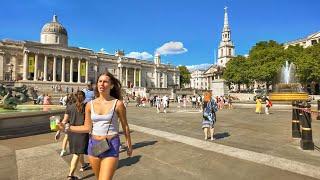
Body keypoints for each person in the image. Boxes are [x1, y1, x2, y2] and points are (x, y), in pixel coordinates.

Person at [60, 72, 132, 180]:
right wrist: (67, 127)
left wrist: (129, 144)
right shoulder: (90, 104)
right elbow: (87, 127)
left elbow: (125, 126)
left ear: (111, 85)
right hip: (94, 145)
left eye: (105, 81)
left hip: (111, 144)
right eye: (100, 81)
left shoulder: (118, 104)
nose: (102, 84)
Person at [59, 91, 90, 179]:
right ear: (84, 98)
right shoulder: (86, 106)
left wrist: (58, 132)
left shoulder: (69, 107)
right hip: (82, 132)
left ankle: (83, 165)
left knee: (79, 151)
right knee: (77, 153)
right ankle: (70, 175)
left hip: (72, 133)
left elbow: (64, 121)